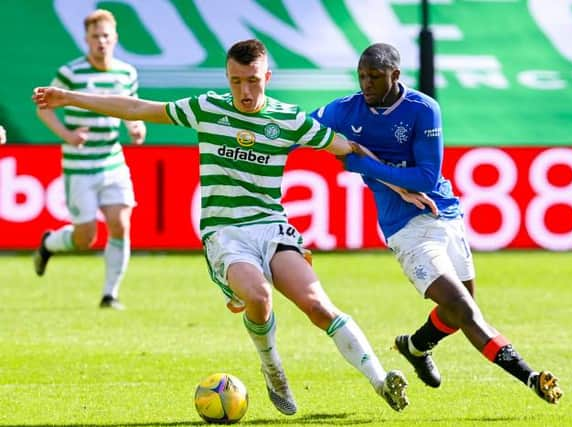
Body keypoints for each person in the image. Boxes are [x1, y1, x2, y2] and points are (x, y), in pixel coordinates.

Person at [33, 39, 409, 414]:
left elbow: (348, 149)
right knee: (259, 298)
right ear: (226, 78)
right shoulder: (208, 108)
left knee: (318, 306)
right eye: (236, 81)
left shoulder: (289, 119)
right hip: (225, 231)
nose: (244, 91)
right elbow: (137, 107)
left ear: (268, 77)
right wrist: (70, 97)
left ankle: (380, 380)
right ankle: (272, 367)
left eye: (253, 81)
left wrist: (401, 185)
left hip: (272, 227)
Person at [311, 43, 563, 404]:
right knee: (465, 310)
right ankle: (531, 376)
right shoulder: (344, 109)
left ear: (396, 75)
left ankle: (415, 347)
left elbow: (427, 178)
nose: (366, 83)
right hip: (407, 230)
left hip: (444, 213)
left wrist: (363, 163)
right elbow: (301, 127)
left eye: (375, 76)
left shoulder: (423, 109)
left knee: (459, 309)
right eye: (362, 76)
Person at [33, 9, 146, 310]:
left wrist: (136, 128)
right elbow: (43, 107)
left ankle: (111, 294)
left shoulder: (126, 73)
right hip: (80, 165)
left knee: (121, 223)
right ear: (86, 39)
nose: (101, 42)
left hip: (113, 161)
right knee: (85, 238)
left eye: (106, 36)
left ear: (115, 38)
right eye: (95, 37)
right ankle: (48, 244)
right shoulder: (71, 73)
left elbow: (132, 111)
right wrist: (67, 134)